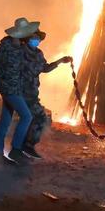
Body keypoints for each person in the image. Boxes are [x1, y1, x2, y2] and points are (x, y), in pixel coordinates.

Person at [0, 17, 35, 165]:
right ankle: (15, 150)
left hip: (15, 87)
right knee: (27, 116)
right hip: (9, 88)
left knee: (5, 120)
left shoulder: (22, 47)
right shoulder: (5, 45)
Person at [20, 28, 71, 159]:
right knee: (39, 117)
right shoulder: (20, 52)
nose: (37, 40)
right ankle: (27, 145)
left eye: (38, 38)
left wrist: (60, 61)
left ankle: (22, 146)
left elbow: (45, 68)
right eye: (34, 38)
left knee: (30, 118)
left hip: (32, 92)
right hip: (21, 91)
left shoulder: (38, 54)